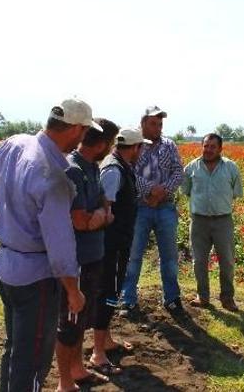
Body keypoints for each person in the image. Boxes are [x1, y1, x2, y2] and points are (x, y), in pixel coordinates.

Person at [0, 99, 99, 392]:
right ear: (76, 128)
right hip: (36, 278)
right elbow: (60, 244)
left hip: (6, 266)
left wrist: (13, 207)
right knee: (32, 360)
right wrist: (72, 289)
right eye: (83, 132)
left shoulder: (16, 143)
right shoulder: (53, 177)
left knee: (16, 347)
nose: (82, 138)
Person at [55, 118, 119, 390]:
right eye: (112, 142)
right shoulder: (74, 170)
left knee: (81, 320)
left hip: (93, 256)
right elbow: (81, 221)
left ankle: (78, 369)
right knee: (69, 324)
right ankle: (64, 382)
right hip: (77, 261)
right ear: (103, 144)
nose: (112, 148)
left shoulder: (92, 168)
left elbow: (106, 206)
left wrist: (101, 215)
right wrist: (103, 216)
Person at [90, 128, 150, 373]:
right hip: (111, 244)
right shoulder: (114, 171)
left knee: (111, 290)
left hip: (118, 241)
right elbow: (106, 210)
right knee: (108, 292)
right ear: (135, 147)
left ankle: (105, 339)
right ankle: (97, 353)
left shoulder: (121, 166)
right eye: (141, 147)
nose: (142, 151)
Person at [120, 105, 185, 314]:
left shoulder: (169, 145)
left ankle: (172, 298)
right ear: (143, 124)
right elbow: (129, 170)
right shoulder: (136, 146)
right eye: (153, 123)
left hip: (165, 206)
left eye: (160, 124)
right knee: (134, 254)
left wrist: (162, 191)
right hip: (140, 206)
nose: (157, 128)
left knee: (169, 256)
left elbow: (178, 172)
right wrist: (150, 190)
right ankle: (128, 298)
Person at [181, 133, 243, 312]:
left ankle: (227, 298)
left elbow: (236, 192)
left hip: (223, 221)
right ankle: (203, 296)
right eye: (206, 146)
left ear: (220, 149)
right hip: (198, 221)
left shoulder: (231, 168)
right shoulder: (191, 168)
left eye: (212, 147)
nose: (208, 150)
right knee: (199, 260)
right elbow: (186, 190)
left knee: (227, 261)